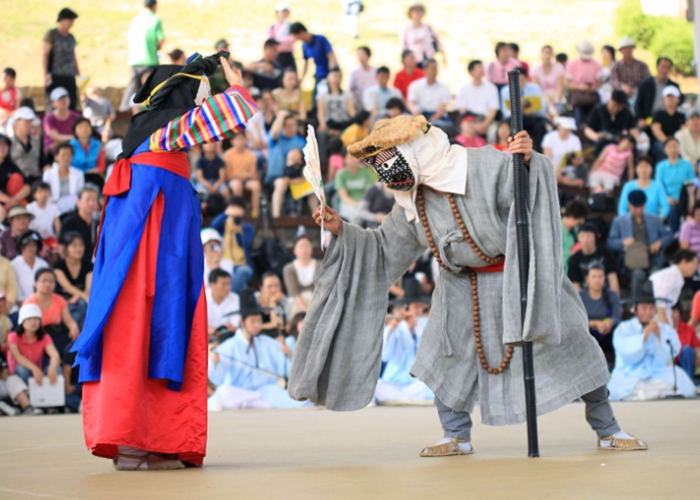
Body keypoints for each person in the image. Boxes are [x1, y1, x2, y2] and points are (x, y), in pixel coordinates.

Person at [290, 115, 646, 454]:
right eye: (377, 165)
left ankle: (608, 429)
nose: (383, 173)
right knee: (442, 356)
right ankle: (455, 435)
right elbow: (383, 249)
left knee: (572, 343)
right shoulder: (410, 201)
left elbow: (526, 192)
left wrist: (527, 161)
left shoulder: (484, 165)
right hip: (459, 285)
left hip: (517, 276)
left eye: (386, 160)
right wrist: (340, 229)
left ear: (414, 150)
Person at [69, 53, 256, 470]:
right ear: (181, 97)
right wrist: (234, 83)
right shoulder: (166, 129)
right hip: (152, 245)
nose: (201, 104)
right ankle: (135, 440)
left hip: (150, 238)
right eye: (198, 96)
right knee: (148, 322)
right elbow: (230, 113)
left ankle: (148, 438)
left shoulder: (148, 131)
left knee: (142, 325)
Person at [208, 289, 305, 410]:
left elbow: (284, 371)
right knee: (224, 391)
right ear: (242, 322)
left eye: (259, 320)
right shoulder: (228, 346)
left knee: (298, 400)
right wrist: (215, 363)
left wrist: (288, 355)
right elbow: (217, 379)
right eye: (252, 321)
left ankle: (250, 404)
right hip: (240, 392)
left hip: (266, 392)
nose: (257, 325)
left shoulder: (267, 342)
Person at [608, 280, 695, 400]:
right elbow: (625, 353)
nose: (648, 312)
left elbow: (672, 352)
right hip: (631, 373)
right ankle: (652, 393)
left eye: (651, 308)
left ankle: (646, 394)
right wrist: (644, 337)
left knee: (678, 378)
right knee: (623, 383)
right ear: (635, 309)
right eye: (644, 308)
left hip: (657, 373)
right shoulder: (624, 328)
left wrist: (659, 337)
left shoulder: (664, 329)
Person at [375, 278, 434, 404]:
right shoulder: (395, 327)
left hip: (417, 384)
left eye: (421, 307)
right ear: (406, 309)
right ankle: (407, 398)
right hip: (394, 381)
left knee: (428, 388)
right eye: (415, 307)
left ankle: (404, 398)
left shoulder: (423, 325)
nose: (419, 311)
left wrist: (416, 328)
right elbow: (385, 356)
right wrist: (391, 329)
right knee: (378, 386)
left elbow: (429, 353)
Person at [607, 190, 673, 290]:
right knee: (638, 275)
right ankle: (637, 300)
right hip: (632, 261)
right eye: (635, 207)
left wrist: (660, 242)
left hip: (652, 258)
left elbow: (669, 235)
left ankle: (657, 300)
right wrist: (623, 243)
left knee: (656, 275)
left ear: (644, 205)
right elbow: (610, 242)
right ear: (629, 205)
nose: (638, 210)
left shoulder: (654, 219)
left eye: (641, 207)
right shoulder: (619, 221)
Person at [120, 0, 165, 112]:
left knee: (133, 87)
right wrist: (156, 48)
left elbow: (130, 39)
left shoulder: (135, 20)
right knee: (151, 89)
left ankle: (124, 108)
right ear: (155, 5)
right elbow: (161, 40)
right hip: (149, 59)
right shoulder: (155, 20)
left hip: (134, 59)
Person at [24, 268, 81, 356]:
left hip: (58, 334)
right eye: (44, 281)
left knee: (77, 340)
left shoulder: (59, 299)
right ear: (35, 283)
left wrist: (73, 327)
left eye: (51, 281)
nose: (48, 284)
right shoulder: (29, 303)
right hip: (40, 337)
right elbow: (28, 330)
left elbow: (68, 320)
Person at [7, 304, 60, 387]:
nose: (33, 322)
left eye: (36, 318)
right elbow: (17, 356)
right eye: (29, 318)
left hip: (38, 373)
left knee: (57, 368)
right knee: (23, 369)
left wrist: (52, 368)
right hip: (19, 374)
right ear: (22, 321)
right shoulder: (13, 336)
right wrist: (34, 368)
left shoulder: (44, 336)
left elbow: (54, 354)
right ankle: (25, 394)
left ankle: (53, 393)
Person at [211, 197, 255, 293]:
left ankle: (228, 295)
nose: (236, 210)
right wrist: (226, 214)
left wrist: (238, 232)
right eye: (233, 207)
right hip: (224, 264)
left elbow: (245, 243)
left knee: (243, 272)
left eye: (239, 207)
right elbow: (213, 224)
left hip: (242, 265)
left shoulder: (248, 228)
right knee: (242, 285)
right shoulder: (222, 226)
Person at [578, 264, 621, 358]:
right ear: (587, 279)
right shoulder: (579, 296)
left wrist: (610, 323)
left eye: (600, 276)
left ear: (604, 278)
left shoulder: (612, 296)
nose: (597, 280)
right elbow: (576, 320)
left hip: (607, 332)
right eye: (594, 277)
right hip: (587, 332)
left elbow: (617, 317)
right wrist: (594, 323)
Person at [500, 67, 548, 151]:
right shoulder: (505, 91)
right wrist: (518, 110)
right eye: (517, 80)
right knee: (508, 126)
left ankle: (539, 152)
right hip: (513, 119)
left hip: (532, 118)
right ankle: (511, 151)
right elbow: (505, 112)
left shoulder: (535, 89)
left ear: (526, 79)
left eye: (522, 80)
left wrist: (529, 109)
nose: (519, 83)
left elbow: (542, 110)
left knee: (540, 126)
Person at [655, 137, 697, 232]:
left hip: (686, 200)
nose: (673, 149)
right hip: (669, 200)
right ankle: (673, 234)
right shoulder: (660, 166)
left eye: (675, 146)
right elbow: (659, 186)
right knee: (672, 209)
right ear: (664, 150)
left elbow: (692, 184)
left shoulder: (687, 164)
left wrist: (686, 200)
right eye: (670, 147)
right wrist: (667, 198)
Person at [649, 249, 699, 325]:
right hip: (655, 311)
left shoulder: (675, 275)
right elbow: (660, 298)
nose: (695, 268)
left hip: (660, 310)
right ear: (684, 262)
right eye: (694, 264)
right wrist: (664, 321)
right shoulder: (672, 275)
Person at [43, 8, 79, 110]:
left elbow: (73, 56)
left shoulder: (71, 37)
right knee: (54, 103)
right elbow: (45, 55)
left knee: (72, 103)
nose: (71, 24)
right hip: (55, 76)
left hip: (70, 76)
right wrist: (45, 74)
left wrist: (79, 74)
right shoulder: (51, 34)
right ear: (62, 19)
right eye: (70, 20)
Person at [53, 232, 92, 327]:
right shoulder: (58, 266)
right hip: (64, 301)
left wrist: (78, 296)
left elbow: (88, 290)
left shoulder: (89, 266)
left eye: (81, 245)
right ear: (66, 249)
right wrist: (82, 296)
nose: (79, 249)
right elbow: (67, 287)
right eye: (74, 246)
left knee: (81, 305)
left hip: (83, 302)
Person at [568, 223, 620, 293]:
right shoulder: (574, 259)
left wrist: (615, 297)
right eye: (582, 236)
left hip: (605, 293)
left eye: (589, 236)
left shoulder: (606, 253)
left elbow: (612, 278)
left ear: (596, 237)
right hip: (584, 295)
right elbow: (575, 284)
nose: (585, 240)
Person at [455, 60, 500, 142]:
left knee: (494, 129)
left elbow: (493, 110)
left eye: (482, 67)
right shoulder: (463, 88)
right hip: (469, 119)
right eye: (479, 68)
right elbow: (462, 110)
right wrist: (474, 123)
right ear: (472, 71)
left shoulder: (491, 88)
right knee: (464, 128)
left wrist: (483, 125)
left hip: (486, 119)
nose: (482, 70)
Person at [584, 89, 637, 157]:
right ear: (610, 100)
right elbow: (588, 129)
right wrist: (595, 136)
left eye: (619, 106)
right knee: (601, 144)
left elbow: (632, 128)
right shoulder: (599, 110)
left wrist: (632, 139)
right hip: (603, 142)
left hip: (621, 143)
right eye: (614, 105)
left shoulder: (626, 112)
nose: (616, 109)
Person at [291, 23, 336, 99]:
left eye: (296, 36)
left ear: (301, 32)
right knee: (316, 98)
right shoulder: (304, 46)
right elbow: (306, 64)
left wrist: (331, 73)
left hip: (330, 72)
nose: (296, 39)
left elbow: (331, 57)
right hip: (319, 73)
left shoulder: (320, 39)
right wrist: (301, 80)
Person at [635, 57, 680, 132]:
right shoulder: (645, 84)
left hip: (667, 121)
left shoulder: (674, 86)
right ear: (657, 67)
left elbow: (679, 102)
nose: (664, 70)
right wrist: (640, 118)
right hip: (648, 120)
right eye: (662, 66)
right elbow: (638, 103)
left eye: (667, 67)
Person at [265, 112, 305, 192]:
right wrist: (281, 115)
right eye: (289, 126)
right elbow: (274, 132)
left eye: (295, 125)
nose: (293, 128)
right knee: (281, 184)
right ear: (282, 127)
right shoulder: (277, 137)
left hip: (294, 177)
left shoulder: (301, 142)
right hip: (275, 177)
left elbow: (305, 163)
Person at [565, 41, 603, 127]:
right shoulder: (572, 64)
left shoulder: (597, 64)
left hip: (592, 96)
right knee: (578, 112)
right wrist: (579, 87)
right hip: (578, 97)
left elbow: (599, 83)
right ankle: (581, 127)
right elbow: (568, 84)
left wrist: (592, 88)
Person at [334, 148, 376, 224]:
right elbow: (344, 197)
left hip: (365, 204)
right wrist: (359, 205)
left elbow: (369, 192)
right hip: (348, 205)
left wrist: (365, 205)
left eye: (356, 156)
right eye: (351, 157)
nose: (355, 159)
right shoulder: (341, 174)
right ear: (344, 159)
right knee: (356, 216)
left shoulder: (366, 172)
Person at [42, 142, 85, 215]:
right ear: (56, 157)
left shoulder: (79, 174)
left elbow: (80, 194)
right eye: (63, 155)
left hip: (73, 210)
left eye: (69, 155)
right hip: (53, 210)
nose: (66, 158)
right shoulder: (48, 174)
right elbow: (45, 194)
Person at [542, 116, 585, 187]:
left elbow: (580, 158)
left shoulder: (575, 139)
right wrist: (556, 172)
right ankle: (569, 182)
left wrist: (577, 161)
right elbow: (547, 158)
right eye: (565, 128)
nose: (567, 131)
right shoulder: (549, 137)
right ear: (559, 126)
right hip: (552, 170)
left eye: (569, 129)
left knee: (583, 168)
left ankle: (566, 181)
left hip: (570, 172)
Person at [283, 235, 321, 316]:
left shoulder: (320, 266)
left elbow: (322, 289)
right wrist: (305, 310)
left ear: (312, 249)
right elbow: (293, 292)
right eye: (301, 246)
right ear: (295, 250)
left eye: (307, 246)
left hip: (317, 303)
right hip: (297, 304)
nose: (304, 249)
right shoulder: (289, 269)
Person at [407, 59, 451, 127]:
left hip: (438, 118)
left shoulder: (444, 87)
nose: (435, 71)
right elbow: (411, 102)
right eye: (432, 68)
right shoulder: (415, 85)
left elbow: (442, 108)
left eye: (436, 68)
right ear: (425, 70)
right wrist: (414, 110)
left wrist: (431, 120)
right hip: (420, 115)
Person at [59, 186, 99, 262]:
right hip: (76, 263)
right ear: (78, 202)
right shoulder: (69, 222)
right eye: (88, 199)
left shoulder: (99, 222)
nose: (91, 203)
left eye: (94, 199)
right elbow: (62, 246)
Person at [400, 2, 446, 68]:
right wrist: (405, 61)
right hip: (414, 61)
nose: (417, 13)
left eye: (419, 10)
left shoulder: (428, 27)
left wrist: (443, 55)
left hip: (428, 59)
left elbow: (437, 41)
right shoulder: (406, 29)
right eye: (415, 10)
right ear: (410, 12)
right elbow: (403, 46)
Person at [11, 231, 50, 304]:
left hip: (43, 303)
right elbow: (14, 291)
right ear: (22, 246)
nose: (31, 248)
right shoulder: (13, 265)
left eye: (34, 245)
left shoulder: (43, 265)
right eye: (28, 245)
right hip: (21, 304)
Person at [650, 86, 685, 161]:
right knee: (660, 150)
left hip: (677, 142)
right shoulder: (658, 114)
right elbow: (656, 131)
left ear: (678, 100)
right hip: (661, 142)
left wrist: (674, 144)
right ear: (663, 99)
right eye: (668, 97)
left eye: (673, 97)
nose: (670, 99)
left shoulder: (681, 116)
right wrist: (669, 143)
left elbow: (683, 131)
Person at [8, 107, 43, 181]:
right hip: (17, 181)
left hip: (36, 180)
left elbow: (43, 162)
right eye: (26, 121)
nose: (29, 124)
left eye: (31, 121)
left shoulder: (37, 141)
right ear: (17, 121)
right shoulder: (8, 142)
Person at [43, 87, 80, 155]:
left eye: (65, 98)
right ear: (53, 103)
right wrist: (74, 137)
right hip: (53, 150)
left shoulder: (76, 116)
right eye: (60, 99)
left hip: (73, 148)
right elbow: (55, 136)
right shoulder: (49, 118)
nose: (63, 101)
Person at [205, 269, 240, 340]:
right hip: (203, 338)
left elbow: (234, 325)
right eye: (224, 284)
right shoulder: (201, 298)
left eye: (229, 284)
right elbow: (195, 327)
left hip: (227, 338)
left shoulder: (235, 298)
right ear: (212, 285)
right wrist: (214, 331)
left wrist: (218, 331)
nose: (228, 288)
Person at [317, 67, 355, 134]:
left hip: (344, 124)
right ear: (328, 78)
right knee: (322, 133)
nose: (337, 79)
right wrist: (322, 124)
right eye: (335, 76)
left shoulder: (347, 95)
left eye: (339, 76)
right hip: (330, 124)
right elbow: (321, 112)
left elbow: (351, 111)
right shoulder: (322, 96)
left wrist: (356, 121)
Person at [27, 181, 61, 251]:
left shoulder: (53, 207)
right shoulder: (29, 208)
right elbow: (27, 224)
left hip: (49, 237)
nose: (43, 194)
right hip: (34, 236)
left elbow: (57, 225)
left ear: (49, 193)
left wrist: (60, 239)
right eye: (40, 192)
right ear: (34, 195)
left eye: (46, 191)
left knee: (56, 248)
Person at [671, 303, 700, 384]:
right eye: (669, 312)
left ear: (679, 313)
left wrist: (698, 355)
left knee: (687, 350)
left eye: (674, 312)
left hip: (686, 364)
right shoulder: (663, 331)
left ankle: (688, 381)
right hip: (671, 365)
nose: (672, 316)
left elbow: (697, 349)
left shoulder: (689, 329)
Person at [531, 45, 565, 113]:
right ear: (541, 54)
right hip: (542, 96)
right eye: (546, 53)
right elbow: (536, 88)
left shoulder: (559, 68)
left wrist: (556, 99)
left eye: (549, 53)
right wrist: (545, 99)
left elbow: (560, 86)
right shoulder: (535, 70)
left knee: (559, 107)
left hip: (556, 95)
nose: (548, 56)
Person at [0, 134, 30, 209]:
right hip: (3, 204)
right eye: (0, 145)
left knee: (17, 177)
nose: (2, 148)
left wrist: (14, 200)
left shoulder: (10, 165)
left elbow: (27, 186)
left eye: (4, 145)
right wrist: (8, 201)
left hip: (12, 203)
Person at [265, 2, 296, 70]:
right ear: (277, 13)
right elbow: (270, 41)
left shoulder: (291, 26)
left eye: (286, 12)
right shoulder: (272, 27)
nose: (284, 14)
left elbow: (293, 39)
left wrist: (277, 40)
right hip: (277, 56)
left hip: (289, 56)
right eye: (282, 12)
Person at [257, 272, 288, 338]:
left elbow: (279, 325)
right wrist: (271, 325)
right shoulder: (255, 301)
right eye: (269, 286)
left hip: (278, 336)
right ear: (261, 288)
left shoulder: (282, 300)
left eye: (277, 285)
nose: (274, 289)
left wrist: (273, 302)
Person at [561, 200, 589, 273]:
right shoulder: (558, 230)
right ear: (571, 217)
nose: (580, 222)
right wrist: (572, 252)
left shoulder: (577, 229)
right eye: (579, 220)